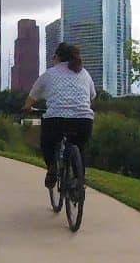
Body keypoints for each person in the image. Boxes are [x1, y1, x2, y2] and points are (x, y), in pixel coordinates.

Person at [23, 41, 97, 187]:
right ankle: (79, 180)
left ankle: (52, 167)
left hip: (56, 119)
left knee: (47, 143)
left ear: (57, 57)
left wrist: (27, 107)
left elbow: (31, 98)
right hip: (84, 120)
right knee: (79, 146)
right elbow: (92, 96)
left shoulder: (49, 74)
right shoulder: (84, 73)